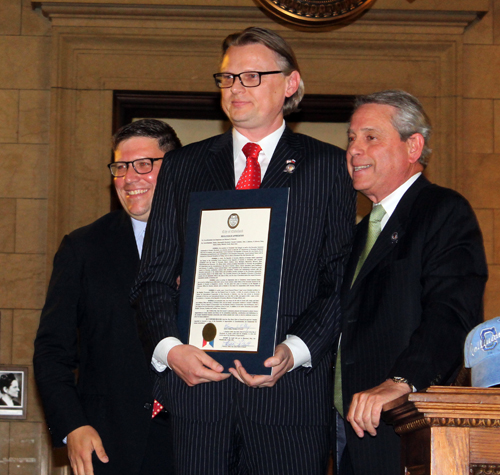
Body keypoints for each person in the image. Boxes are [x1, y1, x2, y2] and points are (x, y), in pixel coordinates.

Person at [131, 26, 356, 475]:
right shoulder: (182, 167)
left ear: (290, 83)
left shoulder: (328, 167)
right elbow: (152, 279)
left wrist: (295, 350)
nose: (236, 88)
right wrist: (171, 350)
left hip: (289, 400)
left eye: (252, 76)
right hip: (200, 401)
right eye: (228, 78)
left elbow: (339, 284)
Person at [335, 90, 488, 475]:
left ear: (413, 146)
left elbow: (452, 313)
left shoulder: (442, 210)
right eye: (351, 138)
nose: (354, 149)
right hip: (344, 436)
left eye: (371, 137)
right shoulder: (356, 235)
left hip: (401, 426)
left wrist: (402, 381)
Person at [33, 119, 181, 475]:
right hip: (110, 444)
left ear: (175, 169)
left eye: (144, 164)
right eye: (120, 167)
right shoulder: (83, 248)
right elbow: (52, 351)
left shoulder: (214, 238)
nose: (130, 178)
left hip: (196, 441)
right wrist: (73, 426)